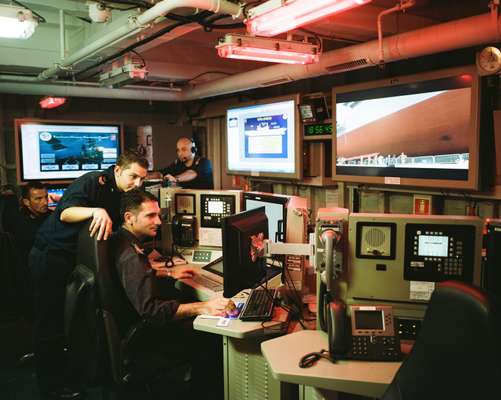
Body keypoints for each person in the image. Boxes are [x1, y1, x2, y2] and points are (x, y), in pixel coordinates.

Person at [29, 150, 149, 400]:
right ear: (117, 170)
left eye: (142, 179)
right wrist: (95, 211)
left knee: (70, 319)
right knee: (49, 323)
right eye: (133, 177)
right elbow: (65, 213)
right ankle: (50, 387)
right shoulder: (94, 182)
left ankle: (68, 371)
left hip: (73, 259)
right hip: (50, 255)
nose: (137, 184)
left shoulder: (122, 194)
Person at [115, 190, 228, 398]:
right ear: (129, 218)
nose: (158, 221)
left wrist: (167, 271)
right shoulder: (131, 257)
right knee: (211, 336)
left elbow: (136, 278)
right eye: (150, 216)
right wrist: (203, 307)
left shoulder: (121, 240)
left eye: (158, 215)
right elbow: (152, 312)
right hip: (144, 336)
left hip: (132, 324)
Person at [12, 181, 52, 320]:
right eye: (38, 199)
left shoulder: (49, 216)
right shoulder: (19, 222)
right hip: (31, 275)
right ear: (27, 202)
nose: (45, 202)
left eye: (46, 197)